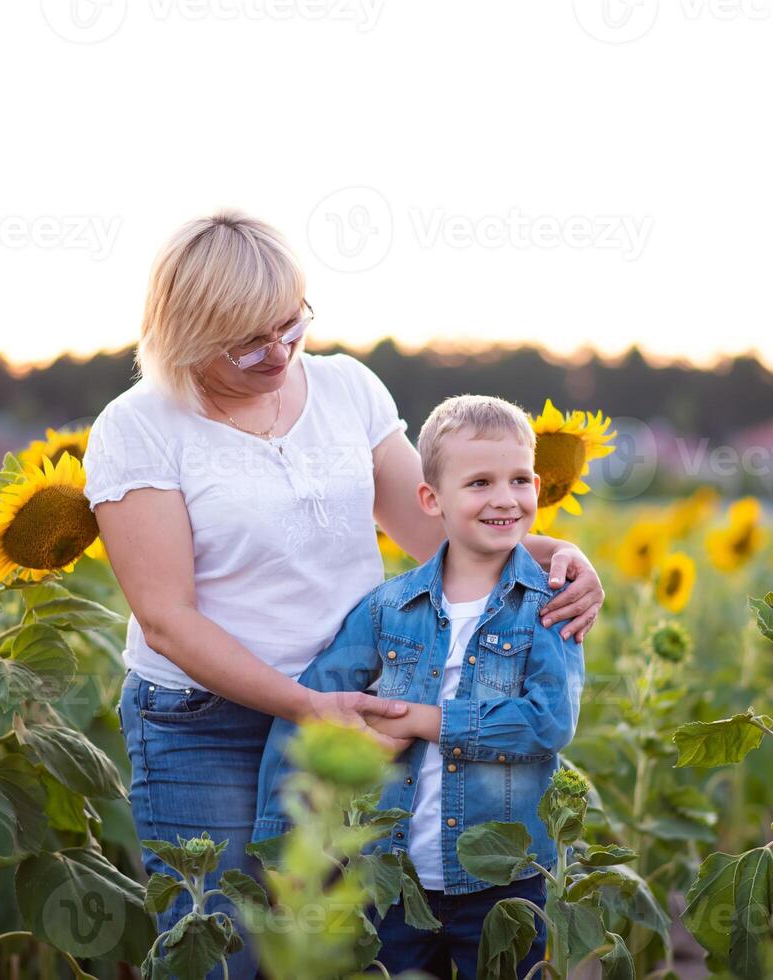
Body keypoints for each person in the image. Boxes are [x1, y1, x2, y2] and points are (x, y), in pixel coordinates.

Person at [82, 210, 607, 979]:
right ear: (186, 333)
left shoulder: (344, 388)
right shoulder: (139, 429)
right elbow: (167, 619)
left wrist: (561, 556)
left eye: (291, 326)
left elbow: (434, 535)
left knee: (347, 943)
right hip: (206, 724)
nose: (279, 354)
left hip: (358, 707)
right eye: (249, 342)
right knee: (226, 944)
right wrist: (307, 707)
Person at [252, 394, 585, 979]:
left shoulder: (551, 607)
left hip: (503, 880)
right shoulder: (387, 608)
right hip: (394, 878)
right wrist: (285, 850)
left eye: (517, 481)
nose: (504, 499)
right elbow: (310, 710)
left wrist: (423, 720)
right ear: (431, 498)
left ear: (536, 484)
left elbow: (548, 723)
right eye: (479, 482)